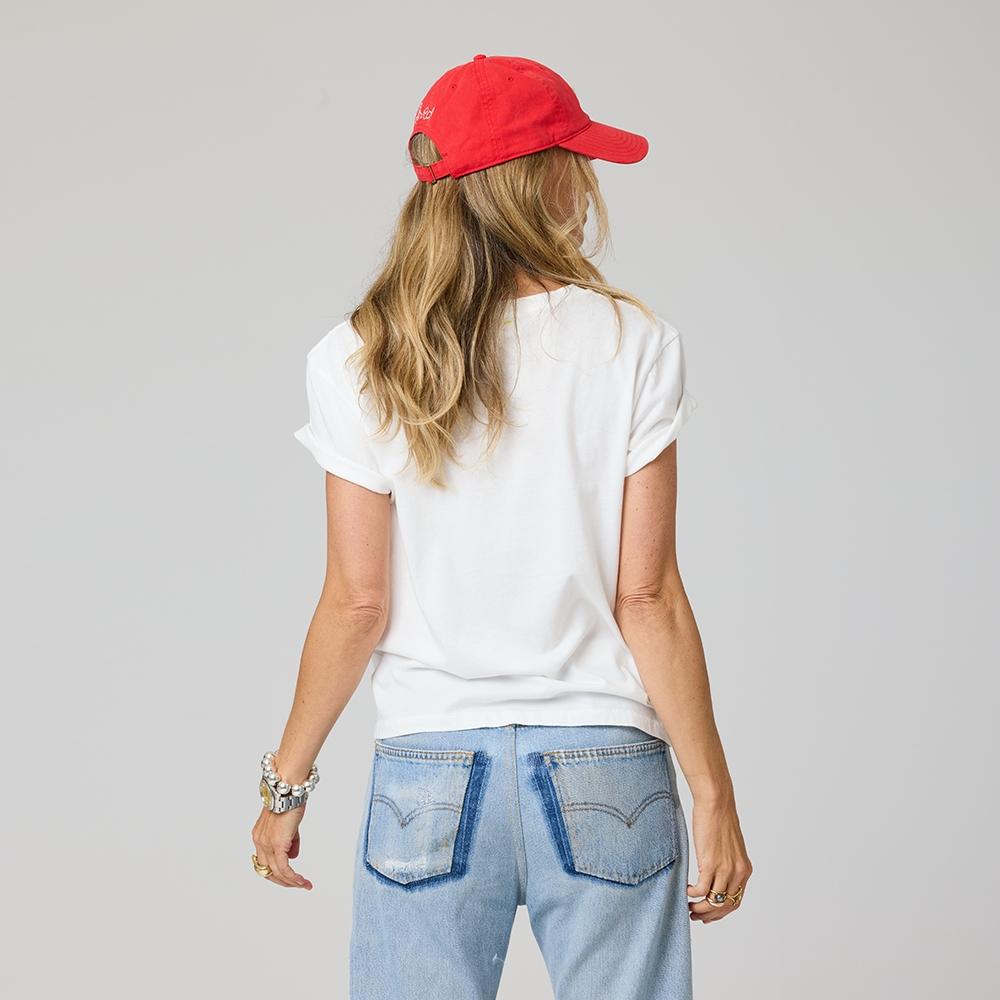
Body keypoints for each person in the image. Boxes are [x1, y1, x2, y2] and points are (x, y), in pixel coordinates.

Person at [250, 53, 752, 1000]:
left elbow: (357, 604)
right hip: (606, 761)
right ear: (540, 178)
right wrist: (713, 794)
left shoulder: (359, 355)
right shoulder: (632, 342)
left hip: (430, 768)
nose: (587, 179)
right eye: (576, 158)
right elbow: (646, 597)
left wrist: (287, 785)